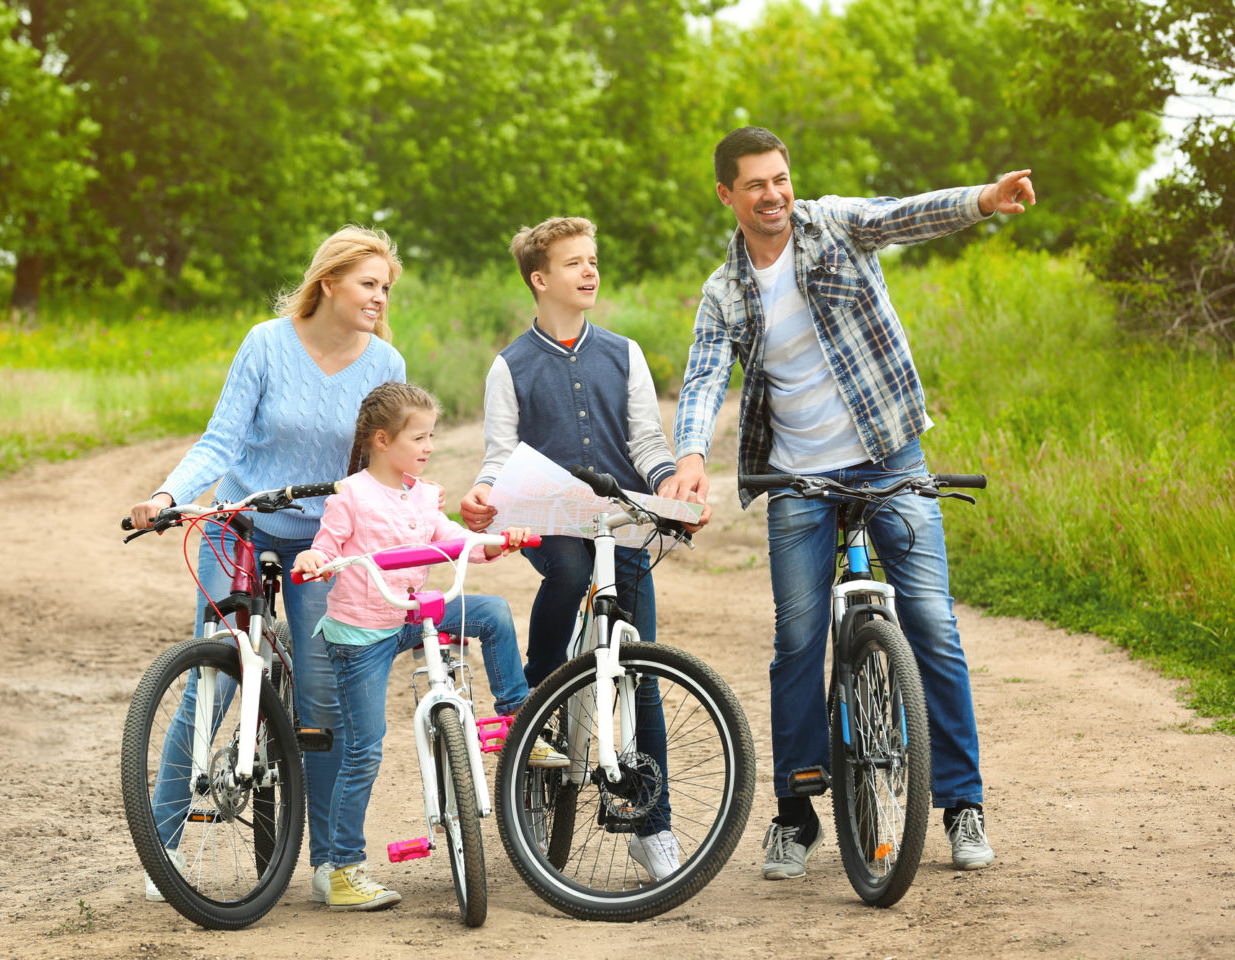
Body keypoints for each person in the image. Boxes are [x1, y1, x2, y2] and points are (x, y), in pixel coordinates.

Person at [669, 126, 1036, 880]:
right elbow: (705, 375)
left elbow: (905, 215)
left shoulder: (833, 224)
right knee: (799, 639)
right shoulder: (724, 289)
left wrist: (984, 202)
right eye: (756, 184)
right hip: (797, 475)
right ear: (726, 195)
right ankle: (797, 814)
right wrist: (691, 458)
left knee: (932, 619)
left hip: (888, 452)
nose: (773, 194)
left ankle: (963, 803)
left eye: (781, 178)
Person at [128, 226, 407, 903]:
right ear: (329, 282)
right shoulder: (265, 343)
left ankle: (334, 867)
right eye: (369, 283)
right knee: (212, 680)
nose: (380, 297)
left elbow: (384, 464)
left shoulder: (384, 364)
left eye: (386, 287)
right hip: (243, 523)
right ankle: (162, 850)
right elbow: (222, 439)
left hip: (325, 542)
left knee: (321, 699)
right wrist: (170, 494)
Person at [459, 216, 707, 882]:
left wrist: (668, 488)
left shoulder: (623, 352)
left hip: (619, 525)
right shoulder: (510, 366)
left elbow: (649, 445)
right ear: (541, 279)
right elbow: (500, 455)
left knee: (642, 670)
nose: (590, 271)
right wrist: (484, 494)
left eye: (593, 260)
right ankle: (538, 700)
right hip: (554, 522)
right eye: (575, 263)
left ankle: (650, 823)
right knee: (566, 567)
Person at [292, 381, 564, 911]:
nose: (428, 447)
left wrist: (494, 542)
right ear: (381, 440)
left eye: (431, 436)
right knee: (364, 747)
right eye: (418, 438)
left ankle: (517, 723)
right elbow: (325, 547)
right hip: (363, 631)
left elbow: (450, 538)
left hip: (414, 613)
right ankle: (344, 869)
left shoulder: (423, 493)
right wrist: (311, 560)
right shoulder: (350, 496)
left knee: (493, 614)